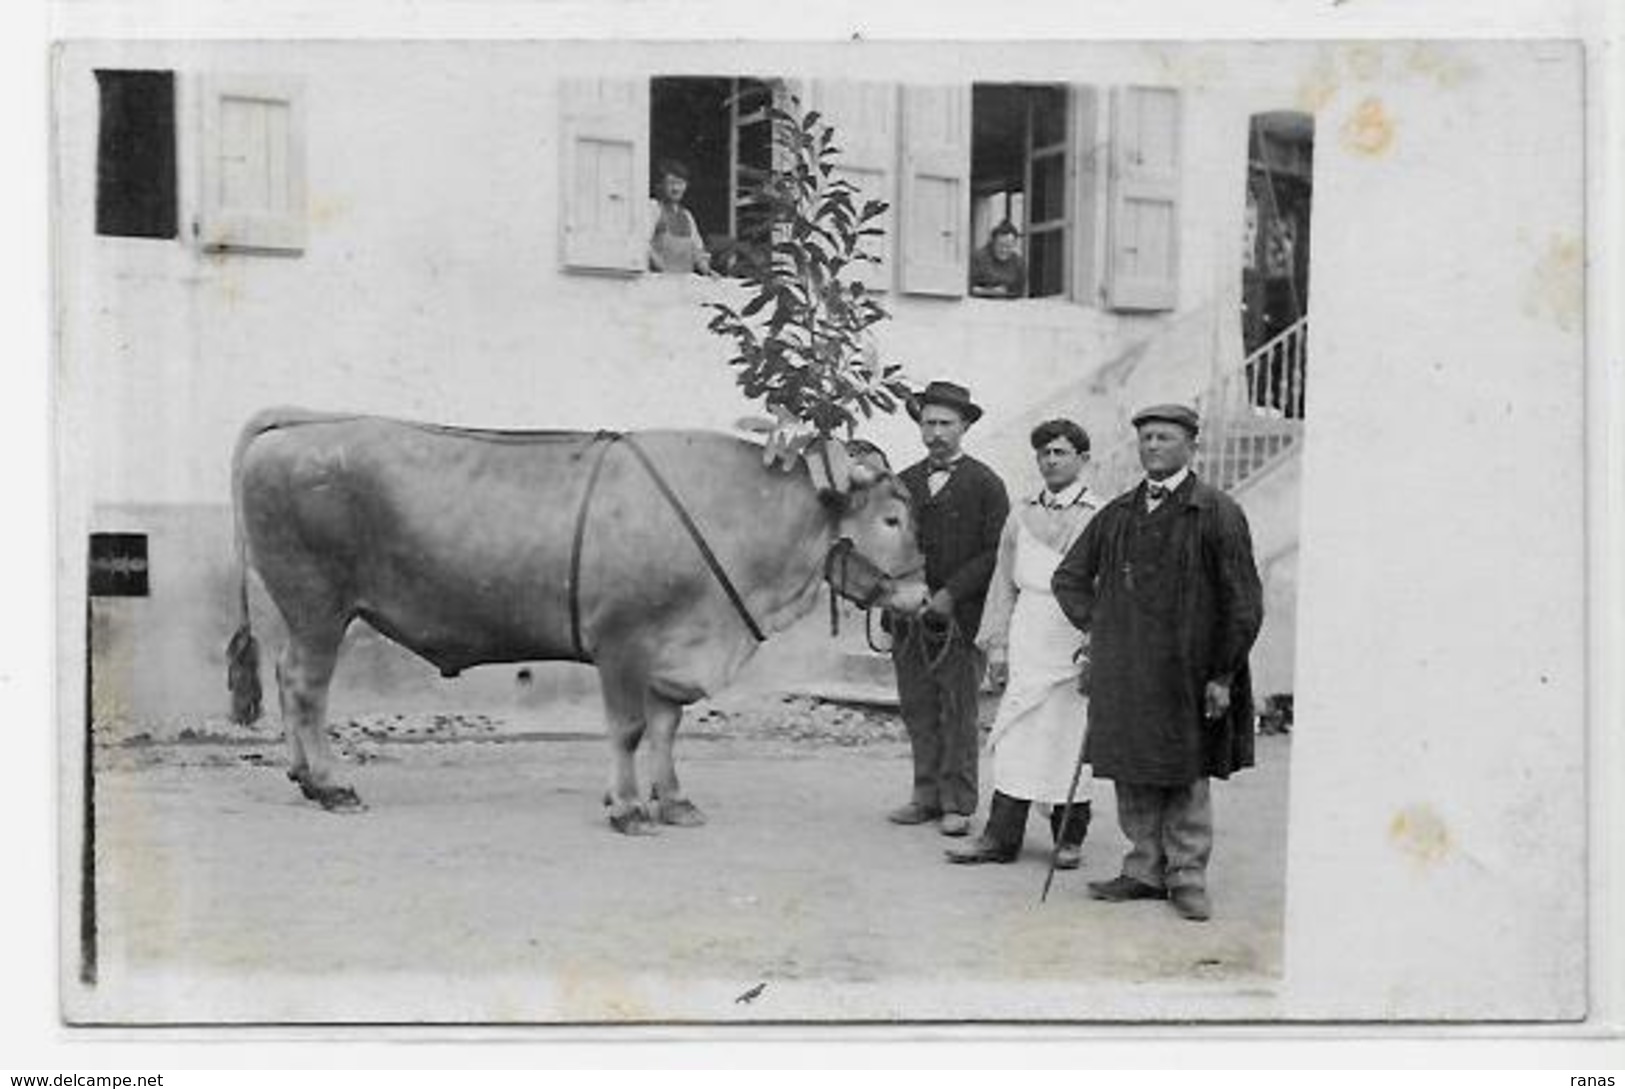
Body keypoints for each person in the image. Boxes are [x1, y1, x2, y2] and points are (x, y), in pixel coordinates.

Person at [1051, 404, 1264, 922]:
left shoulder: (1215, 511)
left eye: (1164, 437)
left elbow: (1243, 601)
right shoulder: (1119, 513)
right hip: (1127, 669)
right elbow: (1069, 578)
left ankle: (1187, 876)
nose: (1152, 447)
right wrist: (1096, 625)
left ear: (1191, 446)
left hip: (1191, 671)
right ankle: (1143, 868)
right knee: (1132, 766)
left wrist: (1223, 674)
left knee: (1186, 769)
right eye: (1146, 437)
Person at [947, 419, 1101, 868]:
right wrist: (996, 645)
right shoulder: (1020, 512)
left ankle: (1068, 838)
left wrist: (1096, 641)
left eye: (1061, 453)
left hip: (1073, 632)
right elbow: (1002, 581)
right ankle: (1001, 837)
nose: (1051, 461)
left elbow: (1108, 585)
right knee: (1015, 733)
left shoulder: (1100, 513)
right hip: (1029, 629)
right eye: (1044, 454)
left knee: (1068, 737)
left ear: (1082, 460)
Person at [886, 381, 1011, 838]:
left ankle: (958, 802)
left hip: (962, 620)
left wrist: (951, 594)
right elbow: (888, 546)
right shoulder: (903, 482)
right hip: (908, 618)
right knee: (918, 707)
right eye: (928, 423)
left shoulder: (986, 484)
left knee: (957, 711)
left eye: (945, 424)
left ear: (964, 427)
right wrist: (900, 592)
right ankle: (925, 795)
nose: (936, 432)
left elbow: (995, 551)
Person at [647, 159, 715, 276]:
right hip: (657, 280)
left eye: (680, 183)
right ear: (660, 185)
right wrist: (661, 267)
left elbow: (697, 251)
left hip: (683, 282)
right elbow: (643, 244)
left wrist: (708, 271)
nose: (676, 189)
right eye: (671, 183)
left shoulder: (687, 216)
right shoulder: (653, 208)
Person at [969, 221, 1027, 299]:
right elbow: (967, 289)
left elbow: (1020, 293)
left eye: (1009, 246)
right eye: (1000, 245)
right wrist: (991, 291)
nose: (1004, 250)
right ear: (993, 242)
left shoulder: (1018, 262)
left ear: (1015, 244)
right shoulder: (978, 258)